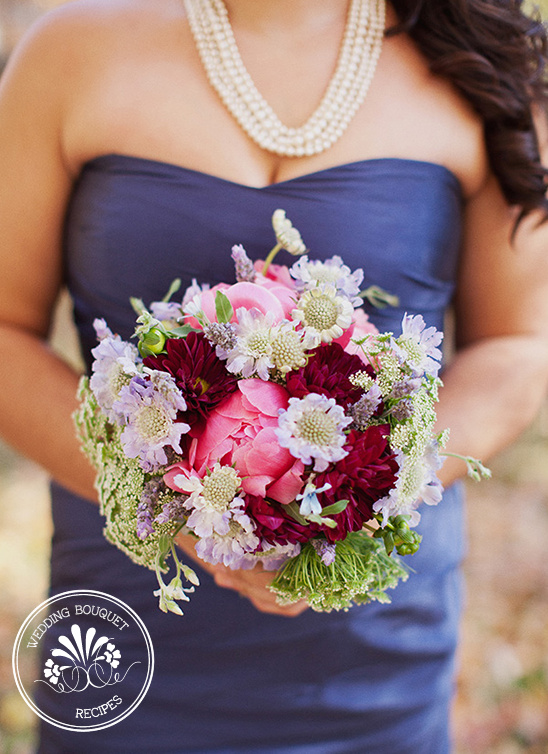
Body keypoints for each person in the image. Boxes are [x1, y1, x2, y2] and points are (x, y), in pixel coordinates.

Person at [1, 0, 548, 751]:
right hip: (128, 628)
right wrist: (185, 511)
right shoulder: (72, 50)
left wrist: (366, 496)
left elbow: (518, 345)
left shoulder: (482, 60)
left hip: (369, 653)